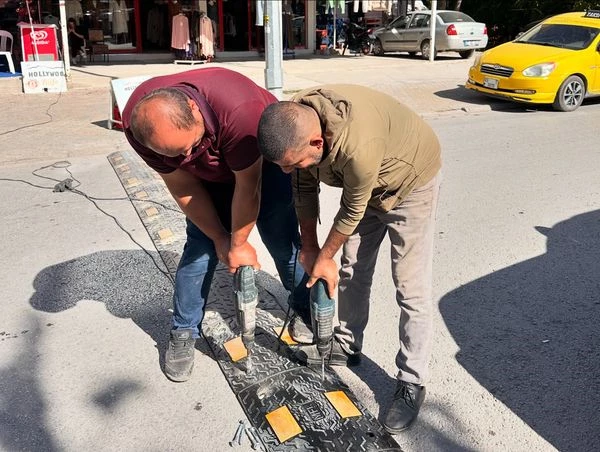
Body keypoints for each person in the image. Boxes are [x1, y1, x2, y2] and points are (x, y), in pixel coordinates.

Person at [257, 84, 442, 433]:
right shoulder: (297, 122)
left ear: (317, 143)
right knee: (352, 270)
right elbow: (304, 190)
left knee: (410, 286)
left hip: (410, 185)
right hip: (369, 185)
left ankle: (412, 380)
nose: (286, 171)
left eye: (290, 164)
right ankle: (347, 345)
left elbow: (352, 209)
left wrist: (323, 254)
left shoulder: (358, 145)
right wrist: (310, 249)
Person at [121, 68, 311, 382]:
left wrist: (238, 243)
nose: (186, 156)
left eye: (191, 146)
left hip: (259, 163)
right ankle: (184, 331)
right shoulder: (139, 122)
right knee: (200, 248)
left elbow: (248, 186)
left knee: (280, 238)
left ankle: (303, 306)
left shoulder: (241, 111)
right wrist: (220, 238)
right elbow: (182, 185)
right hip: (210, 176)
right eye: (176, 154)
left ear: (194, 110)